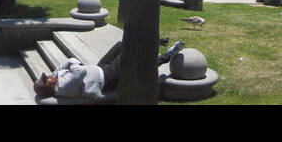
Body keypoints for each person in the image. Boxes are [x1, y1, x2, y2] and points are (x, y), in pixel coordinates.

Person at [33, 41, 184, 100]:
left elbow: (68, 63)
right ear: (50, 86)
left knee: (121, 45)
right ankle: (167, 55)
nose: (49, 76)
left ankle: (151, 39)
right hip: (107, 78)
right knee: (132, 57)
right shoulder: (63, 86)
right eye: (47, 79)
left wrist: (66, 67)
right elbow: (77, 69)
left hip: (99, 68)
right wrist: (70, 66)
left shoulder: (56, 79)